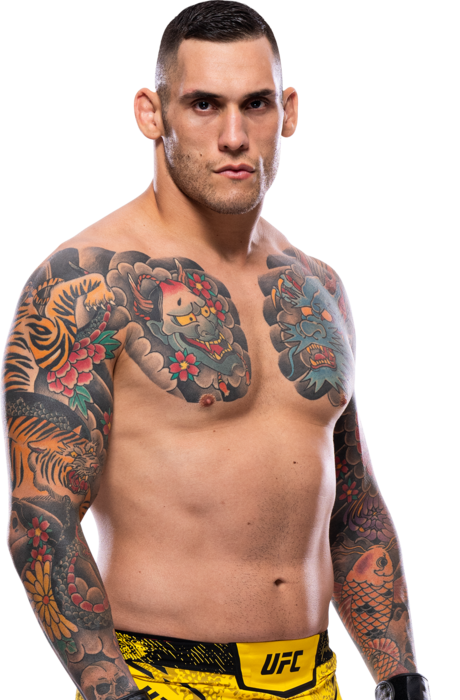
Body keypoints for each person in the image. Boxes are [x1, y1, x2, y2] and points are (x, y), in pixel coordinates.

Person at [2, 2, 431, 699]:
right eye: (204, 104)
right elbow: (43, 522)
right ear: (151, 114)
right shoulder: (82, 286)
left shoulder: (316, 284)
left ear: (288, 112)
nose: (234, 136)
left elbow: (351, 501)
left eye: (255, 104)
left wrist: (399, 671)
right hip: (163, 678)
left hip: (314, 677)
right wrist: (113, 691)